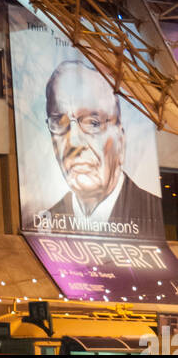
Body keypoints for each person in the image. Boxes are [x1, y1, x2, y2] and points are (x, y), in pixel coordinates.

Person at [37, 60, 162, 237]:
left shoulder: (154, 218)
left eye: (93, 123)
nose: (73, 142)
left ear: (121, 140)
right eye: (59, 122)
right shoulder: (42, 226)